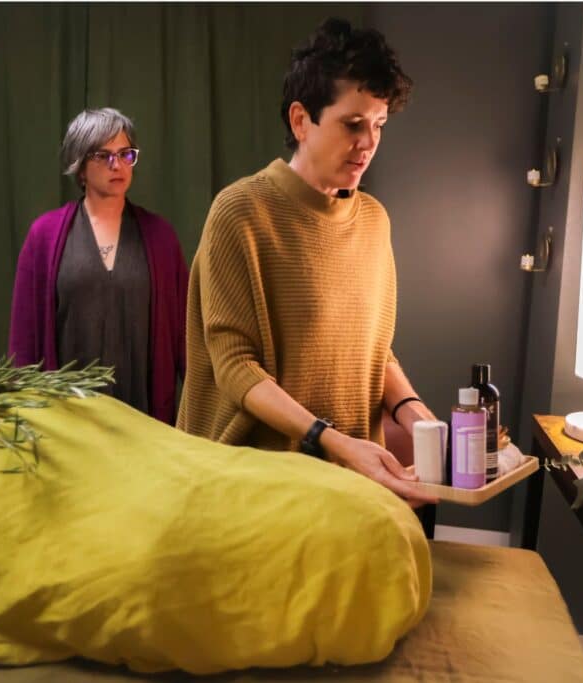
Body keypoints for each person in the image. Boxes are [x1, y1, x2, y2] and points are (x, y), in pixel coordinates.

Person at [178, 19, 437, 505]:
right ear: (301, 120)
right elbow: (235, 368)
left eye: (379, 125)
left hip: (352, 483)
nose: (368, 143)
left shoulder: (374, 222)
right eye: (353, 124)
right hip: (251, 483)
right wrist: (336, 443)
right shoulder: (241, 213)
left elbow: (372, 353)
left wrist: (416, 416)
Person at [9, 108, 188, 424]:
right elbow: (23, 345)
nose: (116, 165)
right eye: (103, 156)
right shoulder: (44, 236)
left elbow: (187, 340)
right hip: (69, 423)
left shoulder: (161, 237)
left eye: (125, 154)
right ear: (79, 166)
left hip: (146, 424)